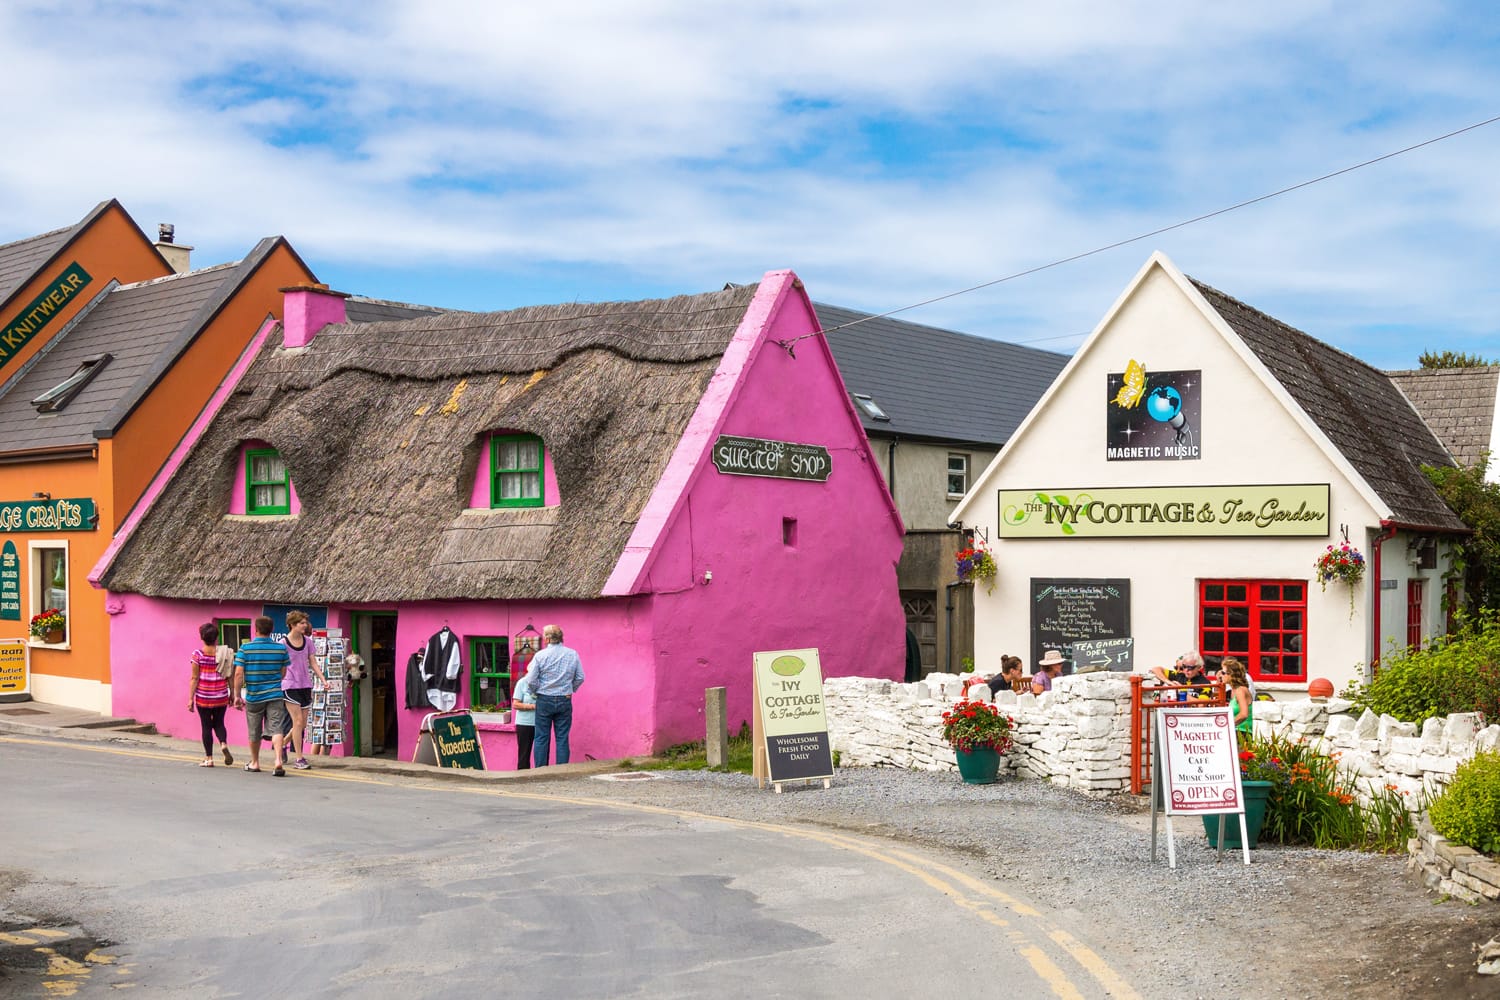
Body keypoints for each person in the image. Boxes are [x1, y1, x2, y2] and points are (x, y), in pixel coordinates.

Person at [234, 616, 291, 776]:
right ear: (271, 630)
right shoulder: (280, 649)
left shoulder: (245, 649)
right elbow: (283, 672)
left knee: (254, 730)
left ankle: (255, 762)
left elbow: (238, 674)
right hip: (275, 694)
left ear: (256, 629)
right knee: (277, 728)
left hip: (254, 696)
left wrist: (237, 695)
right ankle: (278, 760)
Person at [524, 623, 585, 767]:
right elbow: (580, 677)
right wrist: (569, 690)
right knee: (562, 738)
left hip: (544, 699)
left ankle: (541, 771)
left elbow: (530, 679)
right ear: (561, 638)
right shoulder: (572, 654)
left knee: (541, 737)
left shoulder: (540, 655)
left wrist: (535, 691)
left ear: (547, 639)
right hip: (564, 699)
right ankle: (561, 770)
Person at [282, 610, 325, 770]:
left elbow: (313, 662)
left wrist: (323, 680)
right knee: (298, 722)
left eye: (305, 623)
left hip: (305, 684)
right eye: (301, 623)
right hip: (290, 685)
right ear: (292, 625)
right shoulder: (283, 643)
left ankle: (283, 744)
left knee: (303, 723)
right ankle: (299, 758)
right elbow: (279, 665)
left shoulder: (308, 642)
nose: (305, 625)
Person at [187, 622, 233, 767]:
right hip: (220, 695)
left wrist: (190, 698)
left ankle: (209, 758)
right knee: (219, 723)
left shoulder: (198, 654)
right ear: (216, 637)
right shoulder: (224, 653)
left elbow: (194, 678)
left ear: (202, 637)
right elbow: (229, 675)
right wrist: (232, 694)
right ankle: (223, 743)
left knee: (206, 726)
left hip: (203, 697)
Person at [1222, 656, 1254, 739]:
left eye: (1223, 673)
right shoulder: (1234, 690)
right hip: (1236, 730)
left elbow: (1244, 714)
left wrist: (1227, 725)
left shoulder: (1240, 690)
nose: (1221, 675)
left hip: (1243, 733)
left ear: (1231, 675)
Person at [511, 670, 536, 770]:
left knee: (541, 753)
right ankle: (523, 775)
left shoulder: (543, 683)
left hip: (541, 723)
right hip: (525, 723)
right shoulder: (522, 682)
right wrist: (532, 706)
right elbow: (515, 704)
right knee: (524, 754)